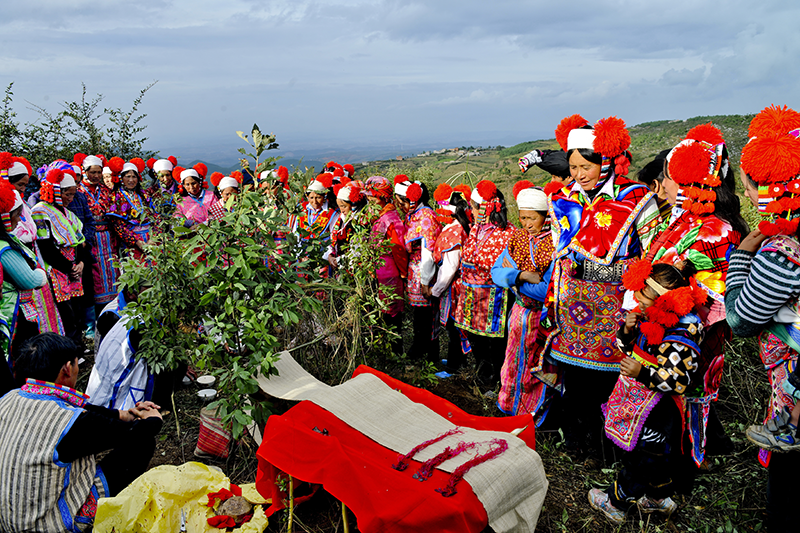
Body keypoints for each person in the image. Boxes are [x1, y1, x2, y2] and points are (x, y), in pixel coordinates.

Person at [545, 114, 660, 453]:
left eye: (585, 167)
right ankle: (577, 441)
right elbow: (558, 250)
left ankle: (608, 447)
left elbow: (651, 252)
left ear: (605, 160)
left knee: (609, 380)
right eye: (574, 167)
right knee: (576, 379)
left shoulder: (637, 198)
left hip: (616, 306)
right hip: (572, 306)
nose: (578, 175)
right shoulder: (564, 199)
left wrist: (608, 277)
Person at [646, 123, 747, 468]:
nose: (679, 188)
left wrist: (666, 299)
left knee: (689, 393)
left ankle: (685, 465)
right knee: (676, 395)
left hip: (694, 329)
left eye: (687, 182)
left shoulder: (720, 230)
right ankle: (686, 456)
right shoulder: (686, 220)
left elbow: (717, 291)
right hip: (670, 323)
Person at [0, 333, 162, 532]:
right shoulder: (68, 422)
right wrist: (153, 418)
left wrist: (123, 414)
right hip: (47, 525)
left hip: (9, 519)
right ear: (67, 369)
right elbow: (133, 433)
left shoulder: (9, 398)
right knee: (141, 443)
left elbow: (86, 411)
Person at [726, 104, 800, 532]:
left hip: (792, 387)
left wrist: (741, 258)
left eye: (753, 187)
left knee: (788, 484)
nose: (750, 195)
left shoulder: (780, 251)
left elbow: (742, 318)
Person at [589, 260, 705, 523]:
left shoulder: (682, 332)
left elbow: (679, 381)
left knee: (644, 456)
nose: (636, 299)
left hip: (659, 410)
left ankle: (616, 502)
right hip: (638, 400)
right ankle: (657, 499)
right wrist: (627, 330)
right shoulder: (650, 315)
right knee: (655, 454)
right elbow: (627, 347)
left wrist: (642, 373)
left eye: (643, 295)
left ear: (665, 301)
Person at [492, 182, 555, 417]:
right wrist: (521, 274)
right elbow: (495, 272)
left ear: (545, 216)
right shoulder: (518, 239)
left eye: (532, 218)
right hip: (519, 314)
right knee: (512, 360)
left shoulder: (556, 243)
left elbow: (546, 289)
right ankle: (508, 405)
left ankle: (530, 413)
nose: (527, 224)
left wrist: (512, 278)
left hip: (541, 317)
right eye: (523, 218)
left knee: (535, 364)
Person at [453, 179, 516, 387]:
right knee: (476, 340)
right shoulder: (475, 230)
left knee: (494, 344)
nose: (471, 210)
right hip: (472, 297)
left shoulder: (508, 233)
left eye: (473, 206)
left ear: (485, 208)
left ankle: (496, 380)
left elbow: (502, 267)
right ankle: (482, 376)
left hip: (494, 298)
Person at [1, 154, 64, 340]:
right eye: (20, 184)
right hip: (23, 271)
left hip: (33, 259)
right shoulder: (8, 206)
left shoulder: (21, 205)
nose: (23, 189)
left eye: (25, 185)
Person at [32, 162, 92, 349]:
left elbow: (79, 240)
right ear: (57, 191)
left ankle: (77, 346)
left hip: (73, 267)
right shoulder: (40, 213)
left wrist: (81, 262)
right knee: (65, 312)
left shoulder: (67, 213)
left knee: (76, 310)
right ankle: (69, 348)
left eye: (73, 194)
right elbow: (46, 247)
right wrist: (69, 267)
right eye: (68, 194)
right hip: (58, 268)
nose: (71, 199)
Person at [395, 178, 441, 363]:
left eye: (402, 202)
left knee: (426, 316)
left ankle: (426, 352)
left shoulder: (426, 217)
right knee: (420, 315)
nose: (400, 206)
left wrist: (425, 281)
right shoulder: (415, 214)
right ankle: (421, 349)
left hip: (424, 272)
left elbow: (428, 252)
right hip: (416, 271)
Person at [431, 184, 472, 378]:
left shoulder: (453, 233)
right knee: (456, 325)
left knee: (453, 326)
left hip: (453, 286)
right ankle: (459, 360)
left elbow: (449, 267)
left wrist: (436, 290)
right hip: (461, 285)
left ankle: (454, 366)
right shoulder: (464, 228)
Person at [364, 176, 408, 357]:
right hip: (380, 271)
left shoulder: (391, 218)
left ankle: (395, 351)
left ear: (383, 197)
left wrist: (404, 274)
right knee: (382, 311)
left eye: (373, 197)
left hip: (389, 273)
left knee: (391, 313)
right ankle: (384, 348)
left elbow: (398, 249)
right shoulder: (380, 216)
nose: (370, 200)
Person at [76, 154, 118, 315]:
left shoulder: (106, 191)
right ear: (85, 171)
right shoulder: (79, 192)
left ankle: (112, 308)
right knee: (93, 274)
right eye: (92, 172)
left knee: (111, 269)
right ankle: (92, 317)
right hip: (90, 238)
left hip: (108, 238)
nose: (95, 176)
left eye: (98, 172)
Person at [107, 160, 155, 261]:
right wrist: (137, 242)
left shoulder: (144, 195)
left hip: (151, 240)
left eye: (134, 177)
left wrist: (153, 238)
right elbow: (118, 225)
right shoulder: (116, 197)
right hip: (132, 243)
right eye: (128, 176)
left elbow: (156, 217)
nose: (131, 180)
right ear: (121, 178)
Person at [327, 180, 367, 269]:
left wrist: (339, 261)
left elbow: (359, 250)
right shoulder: (341, 219)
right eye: (340, 206)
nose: (342, 210)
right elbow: (333, 239)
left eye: (344, 206)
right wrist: (331, 254)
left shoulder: (360, 222)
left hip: (355, 266)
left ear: (353, 205)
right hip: (340, 264)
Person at [635, 149, 672, 230]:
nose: (641, 195)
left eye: (643, 189)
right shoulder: (680, 212)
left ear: (654, 185)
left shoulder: (659, 221)